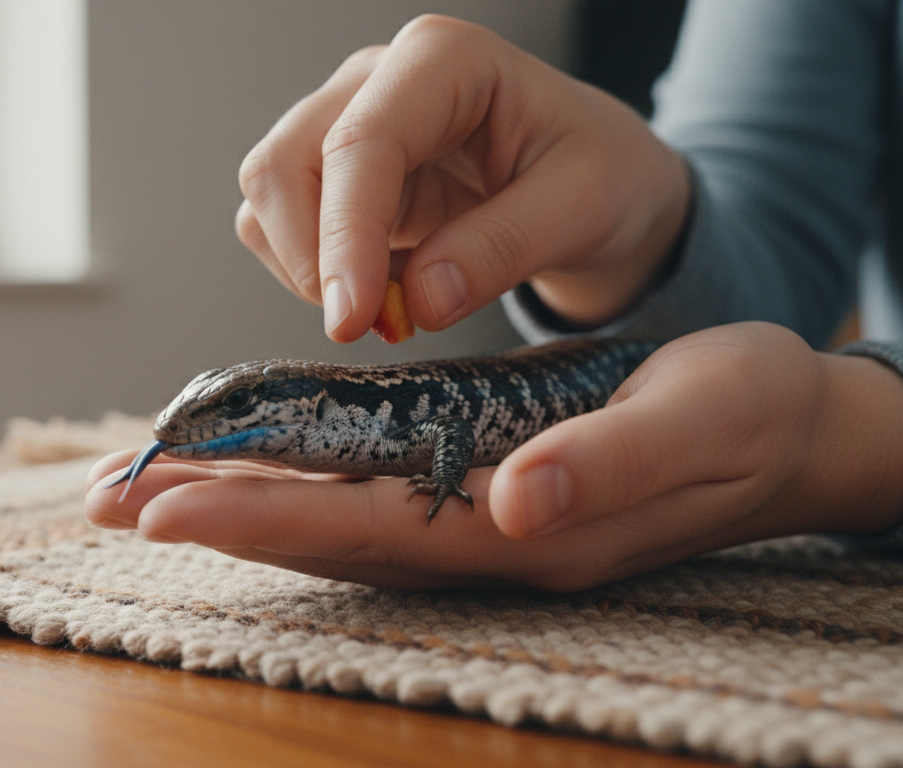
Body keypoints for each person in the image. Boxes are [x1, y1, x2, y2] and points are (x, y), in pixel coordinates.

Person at [84, 0, 903, 591]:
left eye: (229, 408)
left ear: (292, 400)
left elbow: (446, 431)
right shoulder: (334, 422)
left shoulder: (366, 412)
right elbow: (765, 282)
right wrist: (639, 236)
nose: (195, 427)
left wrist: (865, 440)